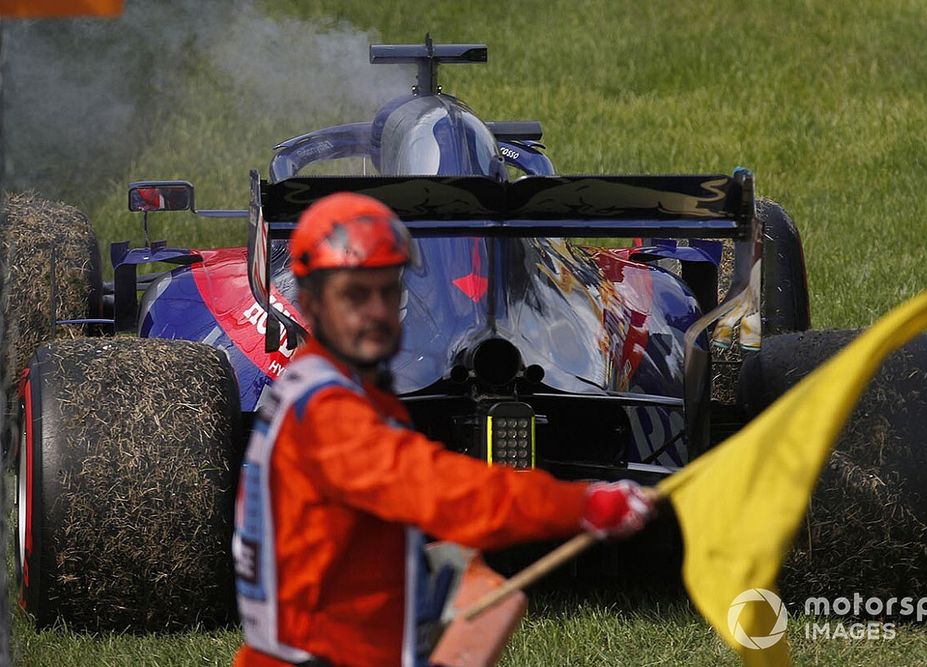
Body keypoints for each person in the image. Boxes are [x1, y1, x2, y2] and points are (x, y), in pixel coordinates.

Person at [231, 192, 655, 667]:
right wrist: (581, 504)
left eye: (388, 290)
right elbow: (441, 491)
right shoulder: (329, 412)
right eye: (354, 294)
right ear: (308, 302)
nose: (375, 311)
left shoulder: (322, 383)